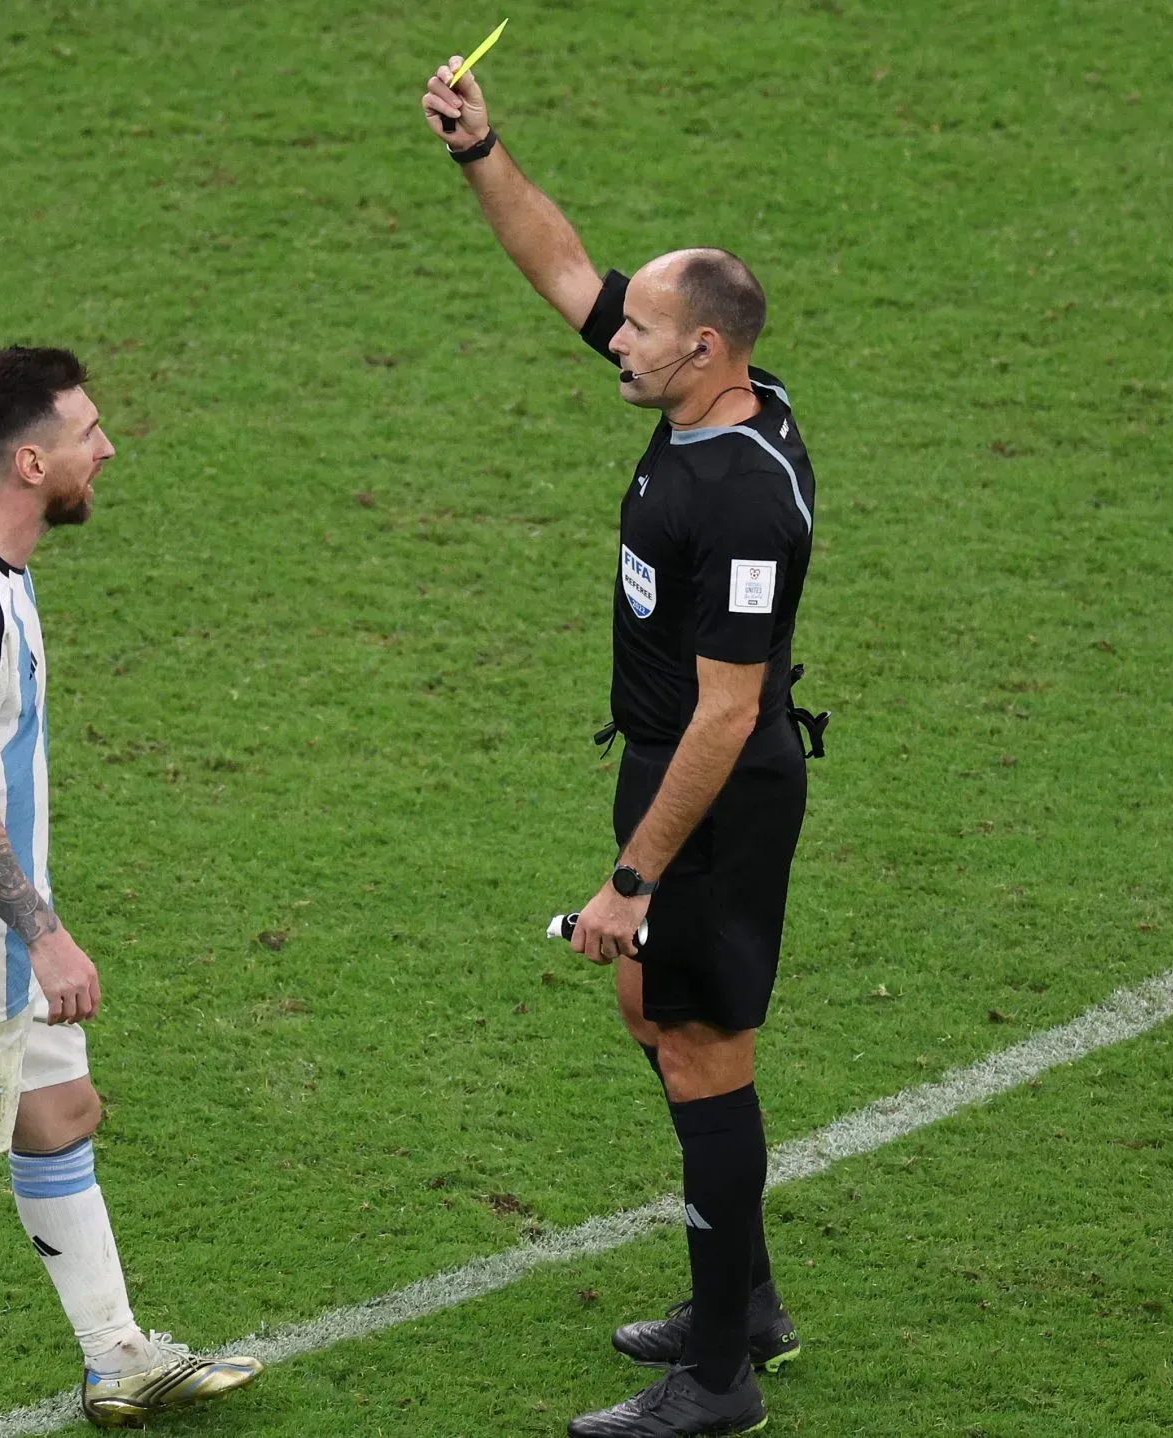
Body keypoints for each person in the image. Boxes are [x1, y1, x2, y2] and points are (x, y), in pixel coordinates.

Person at [422, 56, 821, 1438]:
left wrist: (634, 877)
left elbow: (728, 710)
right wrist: (484, 152)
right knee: (655, 1017)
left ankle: (719, 1378)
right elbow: (564, 264)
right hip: (665, 769)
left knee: (705, 1046)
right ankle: (745, 1301)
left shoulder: (746, 502)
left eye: (644, 330)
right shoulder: (702, 404)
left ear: (706, 349)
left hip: (714, 786)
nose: (617, 339)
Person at [0, 346, 262, 1436]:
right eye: (88, 433)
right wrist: (48, 937)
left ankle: (117, 1355)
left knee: (58, 1112)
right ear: (31, 462)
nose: (106, 447)